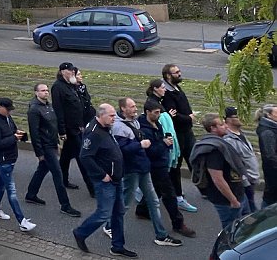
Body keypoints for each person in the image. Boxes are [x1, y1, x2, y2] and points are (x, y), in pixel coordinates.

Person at [108, 97, 181, 247]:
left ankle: (161, 235)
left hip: (143, 167)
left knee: (153, 201)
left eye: (135, 106)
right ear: (123, 109)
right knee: (125, 203)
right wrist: (140, 145)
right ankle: (109, 226)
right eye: (132, 106)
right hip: (132, 170)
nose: (135, 109)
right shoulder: (118, 127)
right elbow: (123, 150)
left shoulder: (134, 122)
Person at [72, 104, 134, 258]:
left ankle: (118, 246)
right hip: (105, 181)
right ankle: (80, 232)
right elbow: (85, 157)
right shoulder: (93, 133)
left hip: (116, 178)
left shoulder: (106, 127)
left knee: (118, 213)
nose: (114, 118)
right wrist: (101, 175)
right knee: (104, 213)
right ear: (101, 115)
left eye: (114, 115)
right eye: (111, 116)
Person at [137, 98, 197, 237]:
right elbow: (150, 150)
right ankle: (178, 223)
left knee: (156, 190)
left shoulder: (156, 123)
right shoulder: (144, 129)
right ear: (147, 112)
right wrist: (164, 144)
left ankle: (142, 210)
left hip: (161, 163)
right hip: (155, 165)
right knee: (169, 195)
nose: (159, 115)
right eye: (156, 112)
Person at [26, 82, 81, 217]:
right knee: (58, 174)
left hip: (52, 143)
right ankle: (65, 205)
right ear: (36, 93)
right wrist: (39, 152)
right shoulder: (34, 110)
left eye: (47, 90)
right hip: (45, 147)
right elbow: (34, 133)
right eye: (43, 90)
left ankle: (31, 194)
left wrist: (59, 137)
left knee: (43, 169)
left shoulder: (48, 106)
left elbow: (53, 124)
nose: (46, 92)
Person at [189, 114, 245, 231]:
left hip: (237, 193)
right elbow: (217, 179)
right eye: (221, 124)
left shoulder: (220, 143)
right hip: (226, 200)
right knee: (231, 230)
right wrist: (233, 200)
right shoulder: (214, 150)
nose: (225, 126)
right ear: (213, 128)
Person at [0, 97, 36, 231]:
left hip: (10, 158)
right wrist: (13, 138)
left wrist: (20, 134)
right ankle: (22, 221)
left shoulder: (7, 118)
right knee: (11, 191)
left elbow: (13, 130)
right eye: (8, 109)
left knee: (1, 186)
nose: (10, 112)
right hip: (2, 161)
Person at [161, 63, 199, 213]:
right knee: (176, 166)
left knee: (195, 159)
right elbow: (174, 117)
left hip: (187, 132)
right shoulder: (168, 94)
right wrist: (189, 118)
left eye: (179, 71)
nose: (180, 73)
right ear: (168, 76)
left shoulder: (176, 88)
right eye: (176, 72)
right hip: (178, 134)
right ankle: (178, 197)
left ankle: (204, 187)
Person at [53, 62, 93, 195]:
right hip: (70, 129)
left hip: (78, 126)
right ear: (63, 72)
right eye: (69, 71)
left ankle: (61, 180)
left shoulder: (71, 86)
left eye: (73, 71)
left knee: (65, 156)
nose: (72, 73)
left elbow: (80, 104)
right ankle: (92, 188)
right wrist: (62, 131)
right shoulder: (58, 87)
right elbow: (59, 110)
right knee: (82, 157)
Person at [224, 106, 260, 214]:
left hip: (251, 178)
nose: (241, 118)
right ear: (229, 120)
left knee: (251, 205)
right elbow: (235, 162)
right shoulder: (229, 140)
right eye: (237, 116)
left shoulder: (241, 134)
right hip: (245, 181)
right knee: (249, 210)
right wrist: (245, 180)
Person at [255, 104, 277, 207]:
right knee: (271, 197)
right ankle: (263, 217)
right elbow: (270, 156)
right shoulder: (267, 132)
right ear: (269, 115)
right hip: (273, 171)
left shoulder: (272, 128)